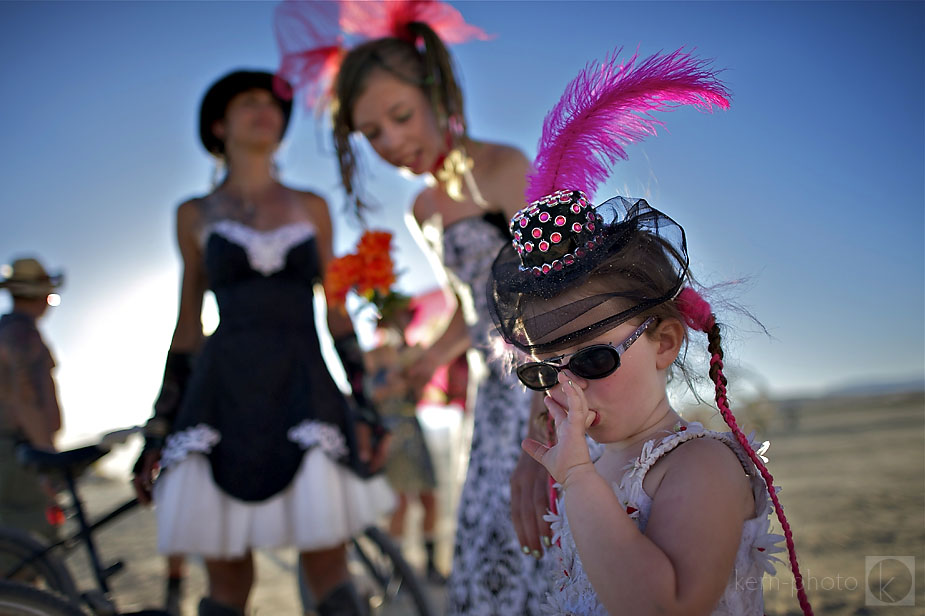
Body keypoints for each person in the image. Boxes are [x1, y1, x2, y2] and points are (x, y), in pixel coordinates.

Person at [485, 49, 814, 615]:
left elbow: (666, 606)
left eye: (591, 361)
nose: (568, 390)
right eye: (543, 370)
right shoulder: (589, 463)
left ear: (663, 342)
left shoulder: (698, 467)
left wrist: (580, 481)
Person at [276, 1, 553, 612]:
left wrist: (546, 429)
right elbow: (469, 312)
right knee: (488, 561)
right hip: (493, 399)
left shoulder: (506, 170)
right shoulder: (422, 210)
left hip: (548, 394)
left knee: (548, 553)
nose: (392, 142)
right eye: (372, 133)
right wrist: (421, 362)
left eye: (400, 116)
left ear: (437, 91)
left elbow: (560, 298)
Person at [131, 69, 393, 616]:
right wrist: (160, 424)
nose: (266, 110)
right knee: (226, 582)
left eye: (273, 104)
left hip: (304, 386)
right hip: (220, 391)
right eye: (248, 103)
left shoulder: (312, 205)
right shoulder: (193, 213)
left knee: (329, 572)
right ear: (219, 126)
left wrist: (365, 401)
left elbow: (337, 312)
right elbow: (187, 324)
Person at [365, 308, 445, 584]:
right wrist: (391, 383)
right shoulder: (373, 356)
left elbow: (420, 392)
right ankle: (396, 574)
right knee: (398, 503)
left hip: (413, 430)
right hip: (391, 434)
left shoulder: (413, 354)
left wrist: (412, 378)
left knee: (428, 498)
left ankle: (431, 566)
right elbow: (369, 396)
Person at [0, 257, 64, 543]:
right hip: (20, 456)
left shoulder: (9, 329)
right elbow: (22, 400)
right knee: (34, 546)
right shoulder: (21, 332)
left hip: (16, 453)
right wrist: (47, 462)